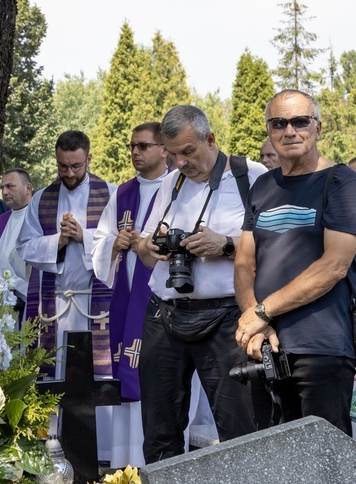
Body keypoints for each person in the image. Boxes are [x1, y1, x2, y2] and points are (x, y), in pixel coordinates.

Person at [134, 105, 265, 463]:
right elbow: (144, 250)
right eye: (173, 154)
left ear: (211, 139)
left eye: (188, 152)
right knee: (159, 430)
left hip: (226, 319)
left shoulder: (250, 176)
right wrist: (150, 246)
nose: (181, 163)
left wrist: (224, 245)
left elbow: (277, 245)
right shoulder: (169, 182)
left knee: (240, 429)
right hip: (165, 315)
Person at [235, 89, 356, 436]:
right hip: (265, 347)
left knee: (325, 459)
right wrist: (254, 323)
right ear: (270, 131)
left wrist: (261, 312)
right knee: (275, 461)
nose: (290, 131)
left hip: (321, 348)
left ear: (318, 128)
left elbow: (334, 266)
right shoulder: (261, 186)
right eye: (279, 123)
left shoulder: (343, 184)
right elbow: (244, 263)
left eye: (300, 121)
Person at [92, 122, 170, 467]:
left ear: (163, 149)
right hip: (126, 298)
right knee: (127, 366)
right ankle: (125, 461)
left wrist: (145, 245)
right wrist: (114, 244)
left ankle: (158, 460)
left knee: (161, 376)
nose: (135, 152)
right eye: (132, 146)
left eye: (143, 146)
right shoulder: (122, 193)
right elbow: (99, 241)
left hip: (163, 302)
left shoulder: (178, 187)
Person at [18, 130, 117, 379]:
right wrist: (58, 241)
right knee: (56, 377)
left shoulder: (112, 194)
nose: (69, 173)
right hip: (55, 306)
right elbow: (24, 247)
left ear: (89, 159)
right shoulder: (41, 199)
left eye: (76, 166)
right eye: (62, 166)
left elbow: (120, 244)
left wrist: (83, 236)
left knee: (96, 379)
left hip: (97, 307)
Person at [0, 168, 33, 305]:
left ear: (27, 188)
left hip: (28, 298)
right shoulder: (2, 220)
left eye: (10, 186)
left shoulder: (39, 217)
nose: (5, 192)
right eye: (3, 187)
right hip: (2, 297)